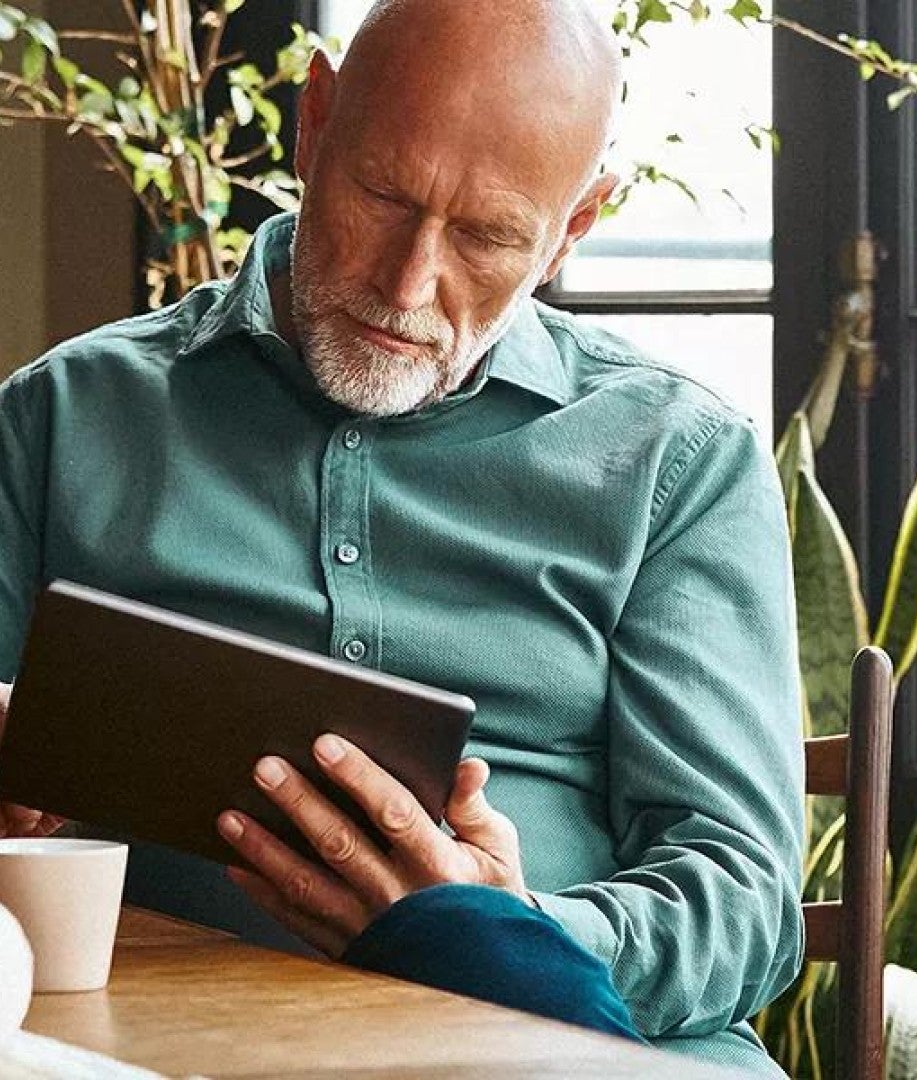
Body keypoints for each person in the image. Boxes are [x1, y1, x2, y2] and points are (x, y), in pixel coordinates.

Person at [0, 0, 805, 1074]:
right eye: (381, 195)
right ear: (313, 122)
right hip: (160, 1042)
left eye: (486, 236)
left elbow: (745, 900)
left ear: (574, 227)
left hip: (567, 1045)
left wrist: (513, 932)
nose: (407, 282)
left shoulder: (678, 461)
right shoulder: (62, 417)